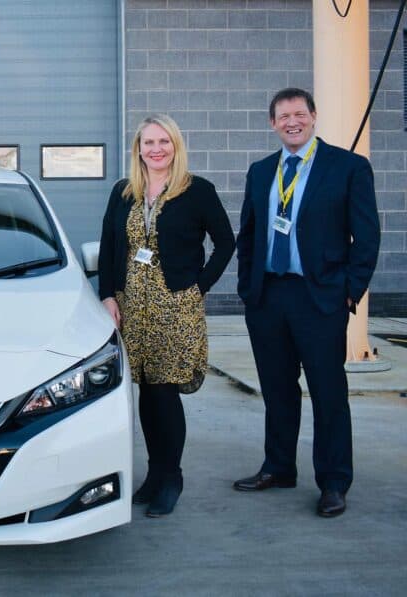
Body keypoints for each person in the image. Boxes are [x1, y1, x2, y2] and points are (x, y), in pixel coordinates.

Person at [233, 88, 380, 518]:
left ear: (314, 117)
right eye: (283, 115)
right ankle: (278, 467)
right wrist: (248, 289)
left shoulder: (348, 167)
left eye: (300, 113)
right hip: (269, 297)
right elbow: (249, 235)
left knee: (328, 393)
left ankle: (334, 481)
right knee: (278, 391)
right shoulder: (261, 172)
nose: (292, 121)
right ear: (272, 123)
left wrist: (350, 289)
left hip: (320, 297)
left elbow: (366, 236)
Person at [98, 114, 235, 518]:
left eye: (164, 141)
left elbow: (226, 243)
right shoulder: (123, 192)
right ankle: (153, 475)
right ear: (137, 149)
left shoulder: (197, 191)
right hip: (131, 306)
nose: (156, 149)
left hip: (175, 305)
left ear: (176, 146)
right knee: (144, 390)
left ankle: (170, 477)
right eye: (148, 142)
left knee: (165, 392)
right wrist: (107, 296)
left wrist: (199, 286)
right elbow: (109, 247)